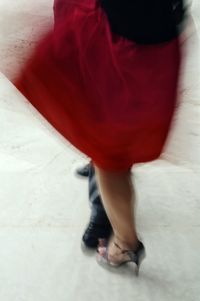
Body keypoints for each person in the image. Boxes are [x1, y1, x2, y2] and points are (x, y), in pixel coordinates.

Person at [15, 0, 186, 273]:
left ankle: (123, 240)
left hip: (122, 36)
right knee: (102, 130)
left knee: (109, 150)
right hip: (149, 32)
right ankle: (104, 192)